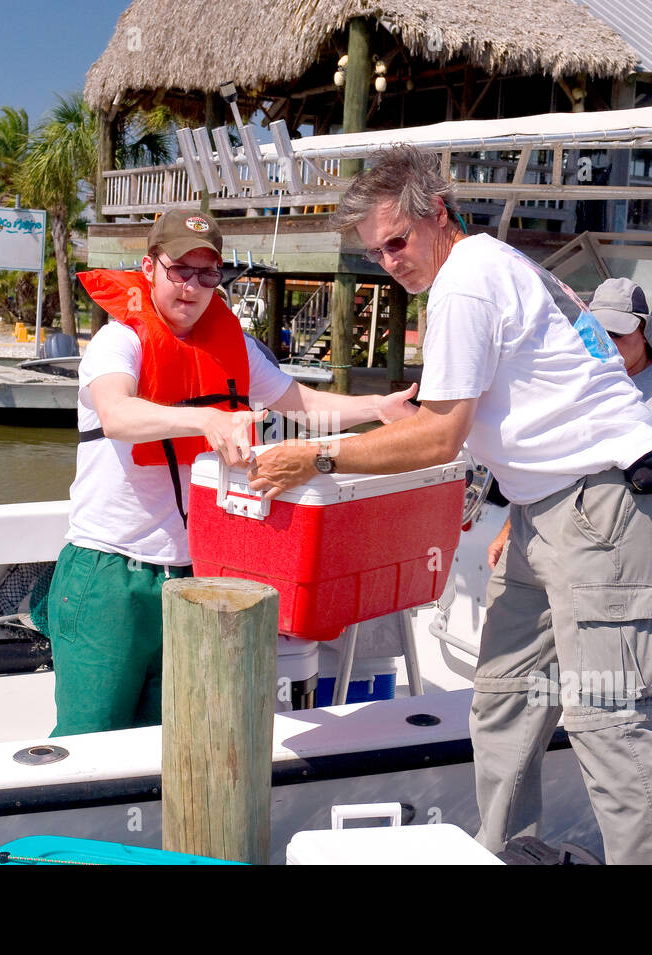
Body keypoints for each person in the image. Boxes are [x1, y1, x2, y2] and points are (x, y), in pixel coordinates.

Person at [249, 146, 652, 864]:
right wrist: (400, 421)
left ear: (438, 213)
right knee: (504, 699)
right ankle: (504, 856)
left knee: (608, 722)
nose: (390, 260)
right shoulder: (492, 262)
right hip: (545, 510)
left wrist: (317, 454)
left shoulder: (462, 283)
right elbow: (461, 418)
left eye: (397, 241)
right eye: (375, 252)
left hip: (602, 504)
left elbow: (440, 438)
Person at [33, 209, 416, 737]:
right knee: (91, 737)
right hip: (109, 573)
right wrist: (206, 419)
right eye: (180, 270)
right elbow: (118, 416)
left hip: (194, 576)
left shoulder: (231, 345)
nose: (192, 286)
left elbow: (298, 402)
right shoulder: (117, 342)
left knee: (176, 736)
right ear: (149, 267)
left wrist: (379, 407)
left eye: (207, 274)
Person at [488, 278, 652, 583]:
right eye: (598, 332)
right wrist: (509, 532)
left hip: (624, 574)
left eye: (617, 333)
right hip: (552, 559)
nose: (606, 342)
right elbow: (550, 473)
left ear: (644, 332)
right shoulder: (572, 383)